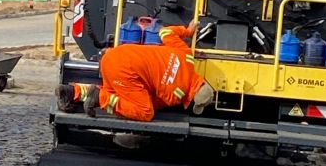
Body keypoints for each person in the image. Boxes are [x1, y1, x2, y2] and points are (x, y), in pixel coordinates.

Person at [57, 21, 215, 120]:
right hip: (123, 72)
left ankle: (71, 92)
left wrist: (187, 31)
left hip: (113, 54)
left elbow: (165, 32)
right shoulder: (177, 94)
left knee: (118, 94)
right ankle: (100, 98)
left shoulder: (186, 55)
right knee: (145, 112)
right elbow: (150, 103)